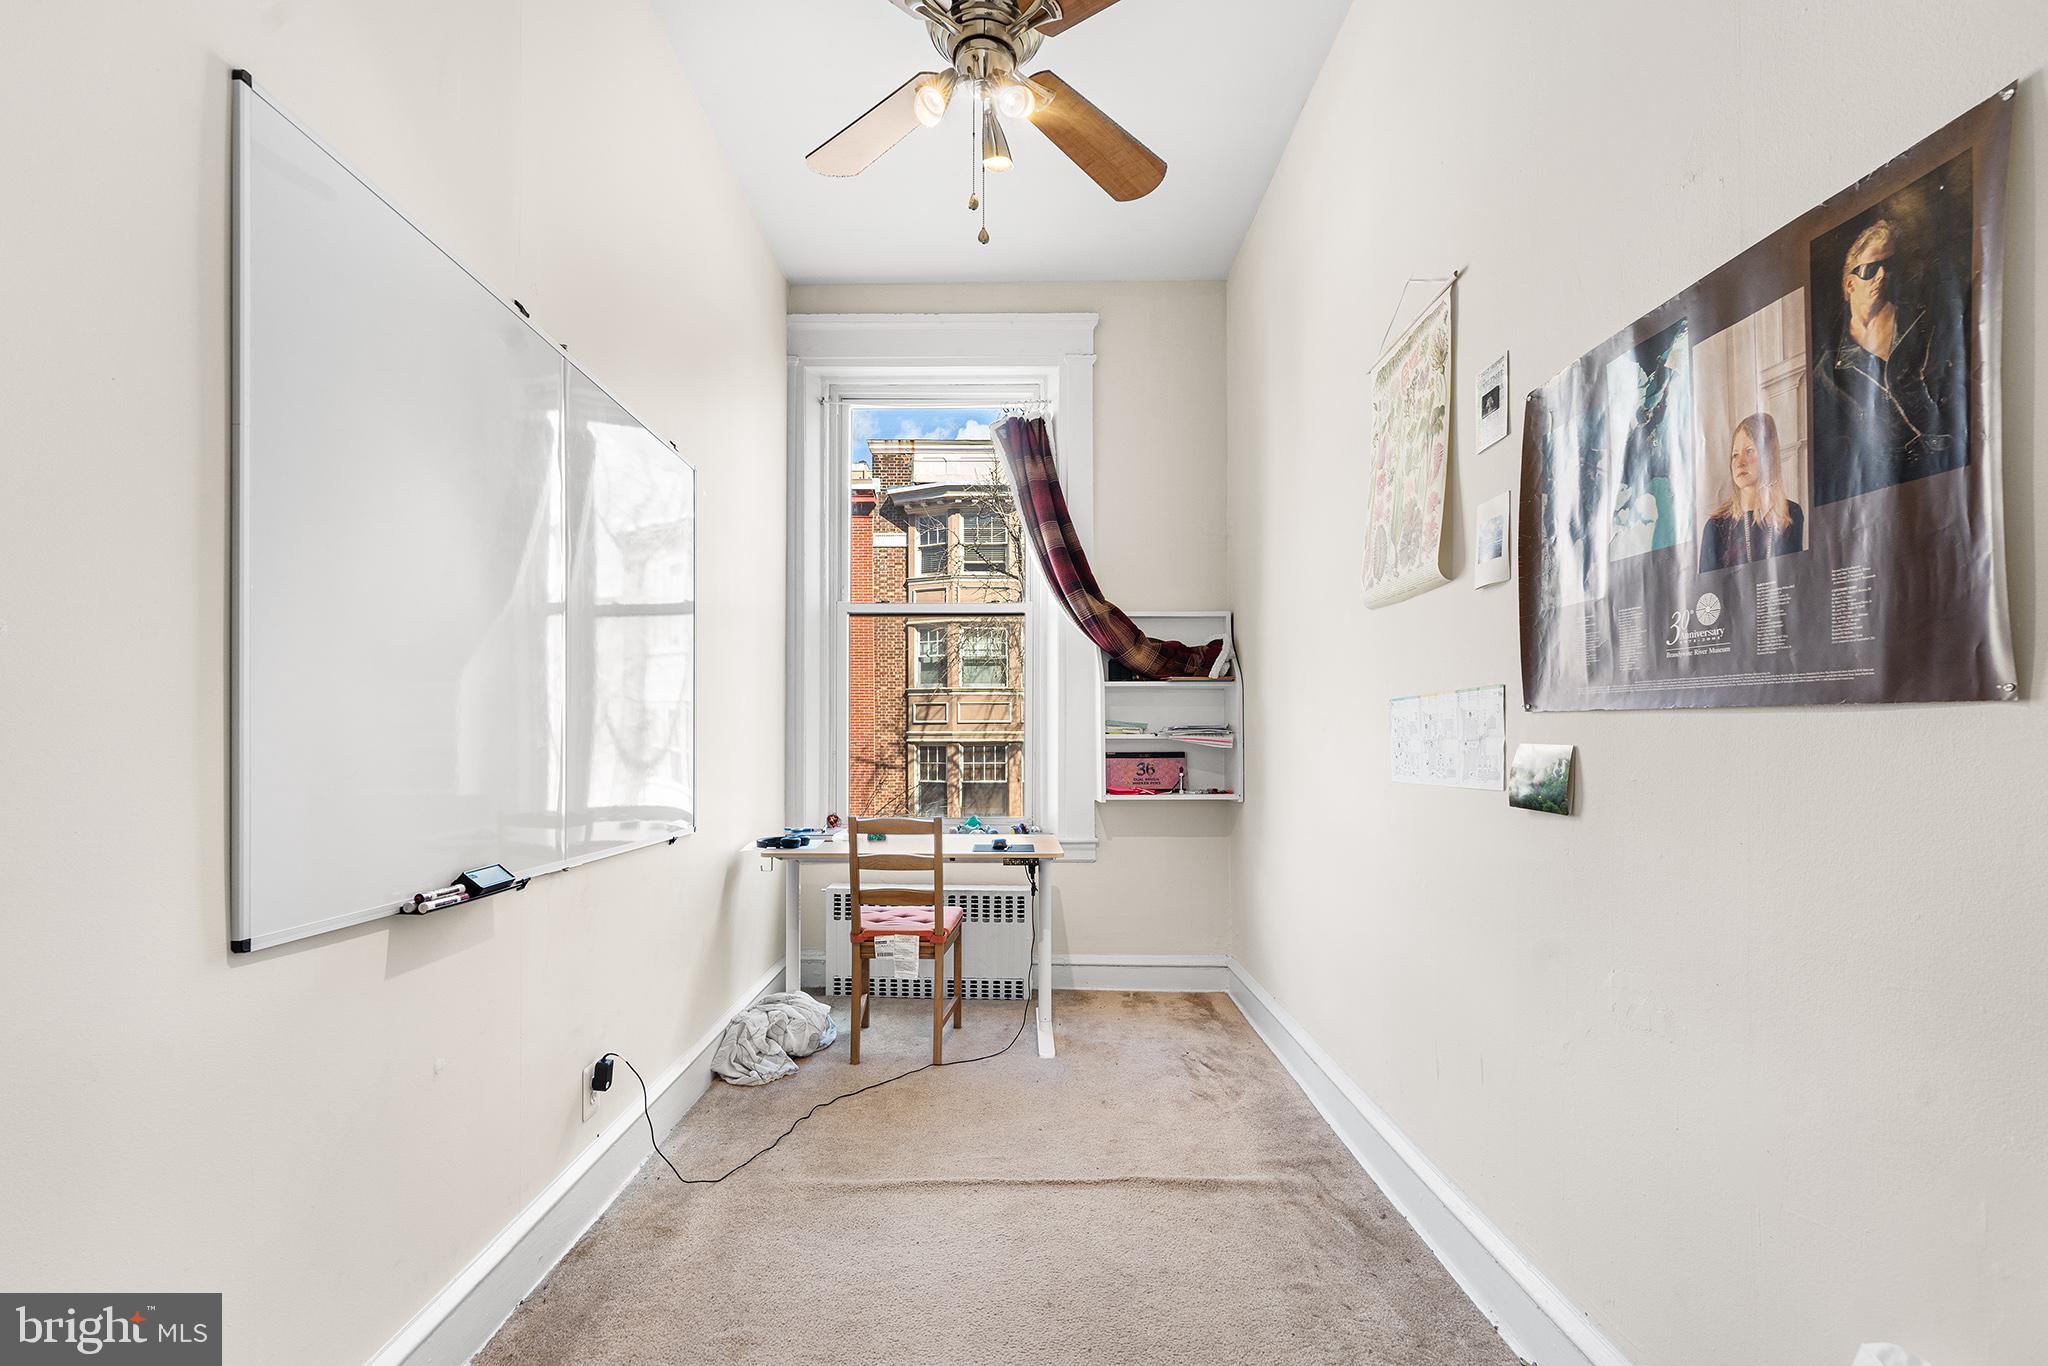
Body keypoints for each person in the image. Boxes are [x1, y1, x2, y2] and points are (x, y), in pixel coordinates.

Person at [1811, 217, 1968, 503]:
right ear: (1849, 284)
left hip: (1949, 470)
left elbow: (1958, 391)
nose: (1882, 275)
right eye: (1870, 269)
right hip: (1883, 492)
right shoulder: (1827, 368)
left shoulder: (1927, 323)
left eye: (1889, 265)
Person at [1698, 412, 1805, 572]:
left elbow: (1796, 576)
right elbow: (1707, 586)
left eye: (1749, 451)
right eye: (1735, 455)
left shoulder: (1791, 513)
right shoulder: (1716, 526)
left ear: (1768, 456)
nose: (1740, 463)